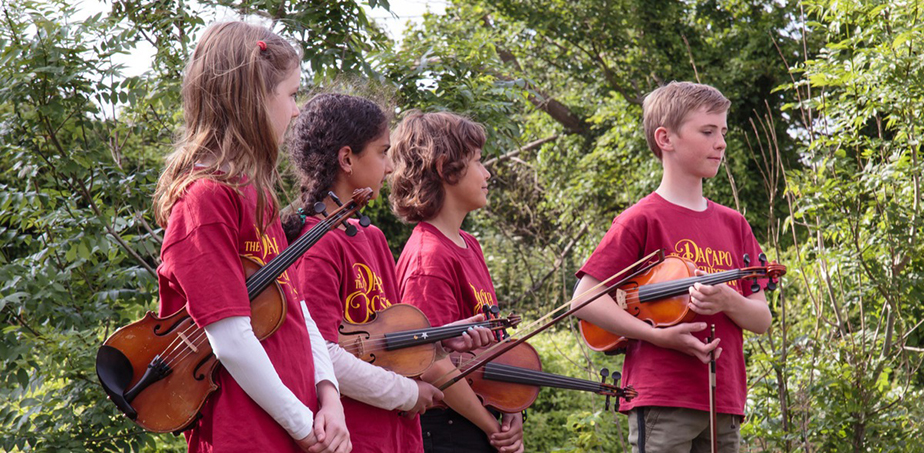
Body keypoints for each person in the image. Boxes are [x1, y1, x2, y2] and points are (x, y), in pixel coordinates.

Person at [152, 22, 349, 453]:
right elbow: (231, 339)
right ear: (255, 100)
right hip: (247, 437)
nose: (297, 111)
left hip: (296, 425)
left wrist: (329, 395)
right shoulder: (204, 201)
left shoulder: (256, 195)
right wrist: (301, 425)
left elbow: (296, 309)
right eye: (292, 95)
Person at [283, 93, 494, 453]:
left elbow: (387, 342)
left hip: (395, 437)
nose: (390, 167)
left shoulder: (373, 237)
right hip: (354, 438)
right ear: (347, 159)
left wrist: (439, 341)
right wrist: (408, 393)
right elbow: (323, 355)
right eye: (383, 153)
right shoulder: (315, 244)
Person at [571, 81, 772, 453]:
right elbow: (584, 300)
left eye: (723, 132)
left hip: (724, 401)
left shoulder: (735, 224)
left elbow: (761, 319)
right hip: (663, 398)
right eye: (707, 131)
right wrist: (658, 337)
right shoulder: (640, 220)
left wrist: (729, 300)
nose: (721, 143)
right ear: (666, 138)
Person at [390, 111, 524, 453]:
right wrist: (493, 427)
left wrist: (511, 410)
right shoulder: (429, 258)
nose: (487, 172)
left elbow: (493, 343)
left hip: (481, 418)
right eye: (478, 161)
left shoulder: (469, 244)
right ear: (445, 168)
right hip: (450, 431)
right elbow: (432, 364)